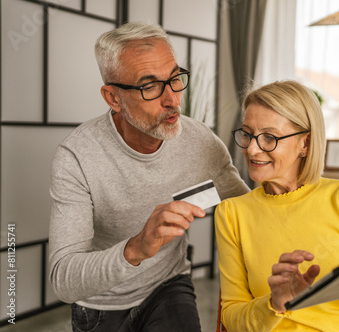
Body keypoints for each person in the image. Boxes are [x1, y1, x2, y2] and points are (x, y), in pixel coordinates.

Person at [48, 22, 248, 332]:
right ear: (113, 98)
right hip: (100, 303)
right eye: (149, 86)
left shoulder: (200, 143)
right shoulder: (77, 156)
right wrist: (137, 248)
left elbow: (248, 213)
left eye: (174, 78)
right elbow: (63, 279)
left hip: (168, 285)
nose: (173, 100)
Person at [215, 80, 339, 331]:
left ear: (305, 144)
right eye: (248, 134)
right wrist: (276, 302)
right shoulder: (232, 214)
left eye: (269, 137)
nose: (252, 149)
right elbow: (231, 318)